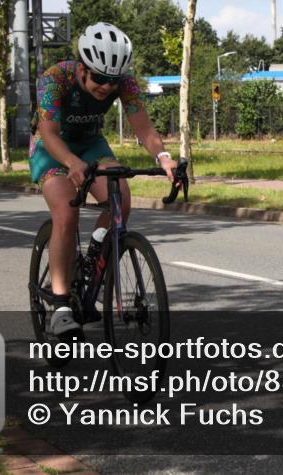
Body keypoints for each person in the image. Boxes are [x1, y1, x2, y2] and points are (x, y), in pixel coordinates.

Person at [29, 22, 177, 337]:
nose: (106, 88)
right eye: (98, 78)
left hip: (91, 143)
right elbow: (49, 133)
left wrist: (164, 158)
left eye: (112, 81)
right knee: (65, 211)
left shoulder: (126, 84)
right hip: (52, 146)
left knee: (120, 198)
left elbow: (144, 129)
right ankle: (61, 306)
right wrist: (70, 162)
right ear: (82, 68)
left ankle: (95, 250)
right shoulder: (55, 79)